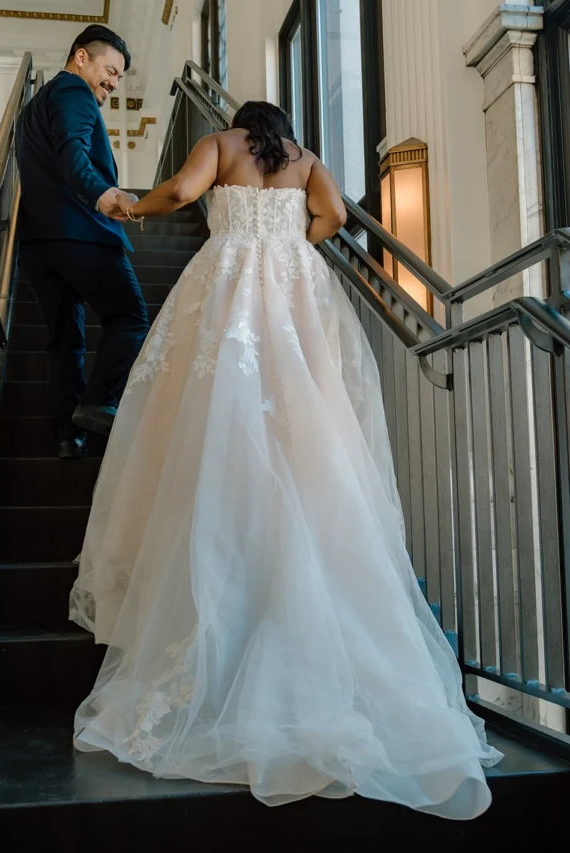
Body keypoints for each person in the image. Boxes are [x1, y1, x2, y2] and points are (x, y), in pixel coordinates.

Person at [69, 102, 502, 817]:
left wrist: (130, 207)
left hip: (230, 287)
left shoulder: (216, 142)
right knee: (304, 430)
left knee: (208, 427)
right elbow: (333, 217)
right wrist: (292, 238)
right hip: (293, 292)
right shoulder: (301, 159)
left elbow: (180, 193)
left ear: (239, 123)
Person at [16, 25, 148, 459]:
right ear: (80, 58)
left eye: (118, 77)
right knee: (130, 316)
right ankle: (96, 402)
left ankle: (68, 437)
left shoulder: (35, 108)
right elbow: (73, 154)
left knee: (65, 338)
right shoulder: (74, 93)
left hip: (39, 244)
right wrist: (105, 194)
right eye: (109, 70)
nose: (112, 82)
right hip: (82, 233)